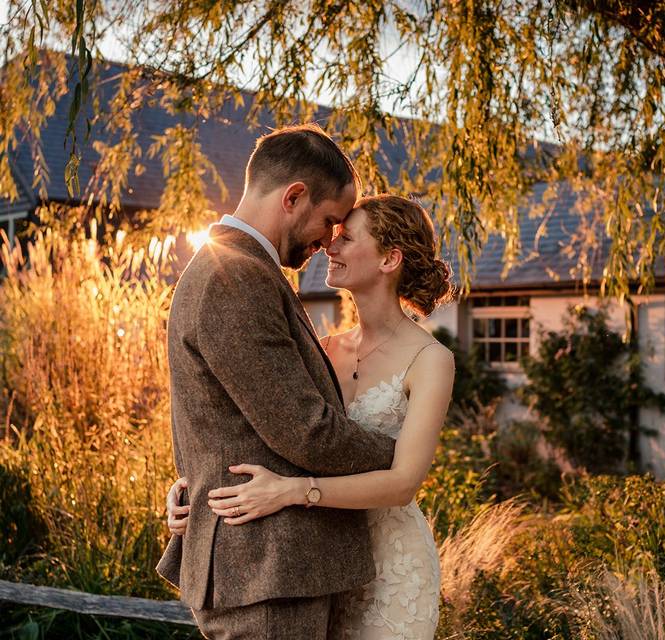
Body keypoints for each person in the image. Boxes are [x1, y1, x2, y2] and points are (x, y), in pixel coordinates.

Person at [166, 193, 456, 639]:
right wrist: (193, 490)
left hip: (392, 567)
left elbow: (403, 483)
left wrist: (294, 492)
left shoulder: (431, 359)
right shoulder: (324, 348)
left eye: (346, 238)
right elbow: (264, 428)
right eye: (331, 235)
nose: (329, 247)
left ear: (389, 259)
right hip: (322, 558)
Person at [157, 123, 402, 639]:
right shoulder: (235, 277)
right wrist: (402, 459)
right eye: (330, 220)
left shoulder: (237, 270)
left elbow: (218, 417)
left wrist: (196, 484)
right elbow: (305, 429)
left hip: (269, 570)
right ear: (294, 197)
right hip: (266, 569)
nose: (329, 240)